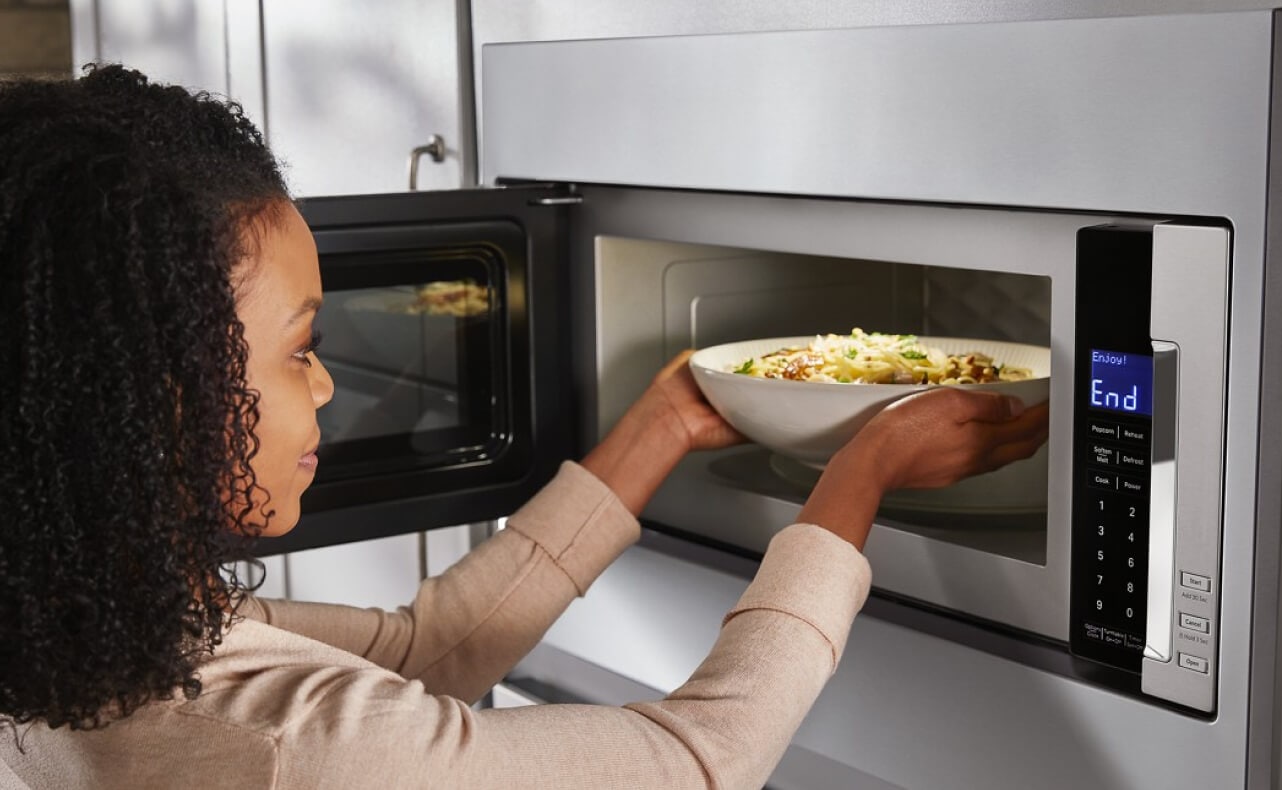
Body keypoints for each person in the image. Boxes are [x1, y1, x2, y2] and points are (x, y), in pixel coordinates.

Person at [0, 66, 1049, 789]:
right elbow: (699, 760)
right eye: (298, 347)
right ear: (154, 395)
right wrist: (861, 468)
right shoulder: (286, 746)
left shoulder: (85, 645)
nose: (324, 389)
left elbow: (424, 655)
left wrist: (661, 428)